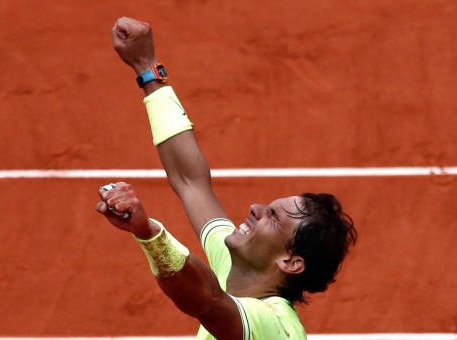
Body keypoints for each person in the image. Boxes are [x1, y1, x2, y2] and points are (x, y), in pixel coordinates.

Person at [96, 17, 357, 340]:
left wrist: (148, 233)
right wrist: (147, 68)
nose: (254, 208)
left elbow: (206, 300)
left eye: (272, 218)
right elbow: (190, 180)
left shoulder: (276, 327)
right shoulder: (239, 268)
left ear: (290, 262)